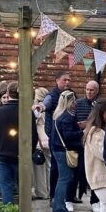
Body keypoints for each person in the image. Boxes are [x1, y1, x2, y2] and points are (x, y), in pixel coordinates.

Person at [0, 82, 35, 205]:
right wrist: (30, 152)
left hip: (3, 155)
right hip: (22, 155)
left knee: (6, 187)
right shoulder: (27, 113)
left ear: (8, 93)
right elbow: (34, 137)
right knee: (24, 188)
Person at [50, 90, 82, 212]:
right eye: (73, 100)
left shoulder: (57, 115)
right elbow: (68, 136)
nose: (75, 103)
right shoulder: (67, 117)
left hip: (57, 150)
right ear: (69, 102)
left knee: (63, 178)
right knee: (64, 179)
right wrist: (82, 132)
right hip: (64, 151)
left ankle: (60, 207)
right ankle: (58, 209)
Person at [73, 79, 100, 210]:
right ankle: (71, 198)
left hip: (94, 143)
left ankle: (94, 201)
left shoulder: (99, 105)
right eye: (87, 89)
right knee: (76, 173)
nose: (89, 92)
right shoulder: (78, 103)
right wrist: (80, 126)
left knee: (94, 173)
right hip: (79, 142)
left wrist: (90, 125)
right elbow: (73, 122)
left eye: (92, 90)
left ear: (97, 91)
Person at [44, 72, 71, 201]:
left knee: (67, 170)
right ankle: (53, 196)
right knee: (56, 168)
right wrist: (39, 107)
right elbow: (44, 105)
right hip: (55, 139)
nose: (67, 82)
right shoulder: (51, 96)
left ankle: (66, 196)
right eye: (64, 80)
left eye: (69, 80)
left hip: (67, 139)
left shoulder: (70, 95)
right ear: (57, 81)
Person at [32, 87, 50, 200]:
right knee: (49, 166)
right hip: (49, 138)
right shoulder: (50, 107)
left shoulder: (37, 109)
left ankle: (42, 192)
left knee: (39, 167)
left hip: (40, 139)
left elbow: (35, 121)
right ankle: (50, 190)